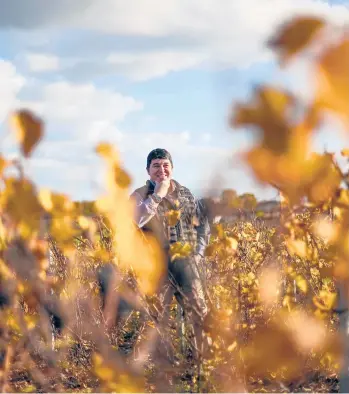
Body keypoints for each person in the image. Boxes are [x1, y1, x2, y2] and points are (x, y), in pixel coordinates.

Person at [130, 148, 210, 360]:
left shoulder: (186, 193)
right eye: (156, 165)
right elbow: (134, 221)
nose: (161, 170)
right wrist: (159, 194)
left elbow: (201, 224)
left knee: (199, 312)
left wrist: (199, 252)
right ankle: (166, 368)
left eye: (165, 165)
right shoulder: (139, 195)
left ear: (172, 169)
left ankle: (202, 363)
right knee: (157, 318)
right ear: (148, 170)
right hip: (157, 266)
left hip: (186, 264)